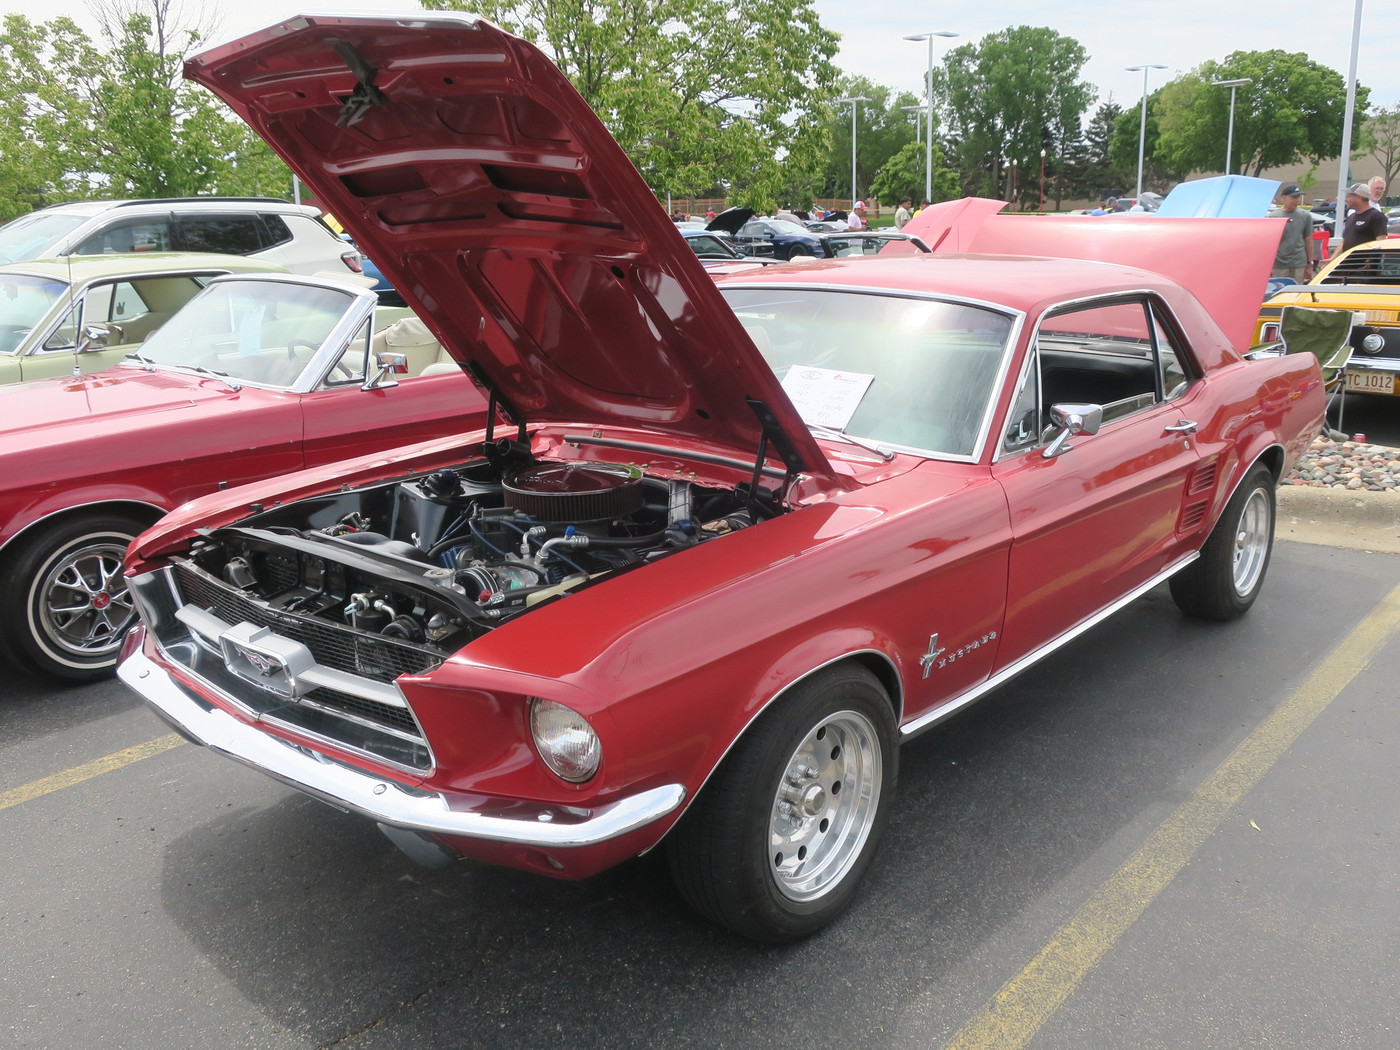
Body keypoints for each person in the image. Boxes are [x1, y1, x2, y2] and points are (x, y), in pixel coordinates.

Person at [1269, 183, 1314, 281]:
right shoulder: (1273, 217)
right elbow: (1269, 243)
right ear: (1284, 198)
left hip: (1298, 263)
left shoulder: (1305, 216)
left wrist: (1310, 263)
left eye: (1298, 197)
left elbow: (1308, 240)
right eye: (1293, 197)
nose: (1297, 200)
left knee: (1297, 291)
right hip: (1279, 264)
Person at [1342, 182, 1388, 251]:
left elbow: (1381, 243)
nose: (1346, 200)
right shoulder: (1351, 217)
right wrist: (1333, 258)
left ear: (1358, 197)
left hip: (1363, 260)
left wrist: (1370, 260)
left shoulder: (1376, 216)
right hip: (1348, 261)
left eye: (1349, 196)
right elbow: (1344, 241)